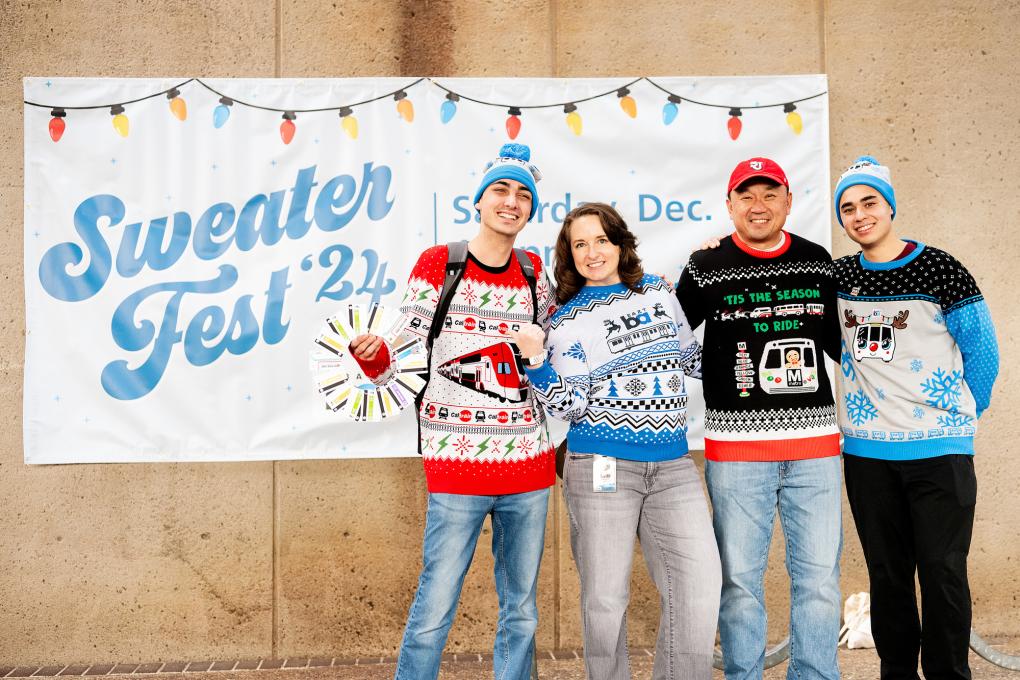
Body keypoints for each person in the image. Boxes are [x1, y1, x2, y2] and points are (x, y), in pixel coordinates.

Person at [351, 143, 556, 680]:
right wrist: (373, 357)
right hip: (455, 465)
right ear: (480, 201)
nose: (511, 202)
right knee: (435, 607)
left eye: (522, 195)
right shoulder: (441, 262)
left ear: (531, 209)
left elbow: (562, 339)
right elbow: (402, 344)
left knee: (522, 611)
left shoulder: (535, 270)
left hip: (529, 466)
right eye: (500, 191)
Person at [510, 203, 721, 679]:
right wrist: (539, 363)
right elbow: (569, 407)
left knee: (699, 587)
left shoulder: (660, 293)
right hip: (601, 467)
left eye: (601, 240)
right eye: (580, 244)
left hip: (673, 468)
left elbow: (692, 361)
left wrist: (721, 274)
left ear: (620, 243)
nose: (592, 252)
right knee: (605, 600)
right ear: (569, 255)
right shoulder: (564, 320)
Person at [675, 158, 843, 680]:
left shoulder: (818, 262)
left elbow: (844, 343)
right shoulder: (705, 267)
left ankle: (815, 675)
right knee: (739, 581)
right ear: (729, 205)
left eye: (770, 194)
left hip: (816, 447)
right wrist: (720, 372)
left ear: (788, 202)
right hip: (736, 450)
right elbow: (671, 339)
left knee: (818, 580)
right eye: (746, 195)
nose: (758, 205)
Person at [832, 156, 998, 680]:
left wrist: (956, 414)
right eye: (848, 208)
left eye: (869, 203)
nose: (860, 215)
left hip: (940, 453)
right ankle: (896, 672)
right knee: (888, 576)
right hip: (867, 456)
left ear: (890, 205)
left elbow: (983, 352)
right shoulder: (840, 277)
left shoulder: (941, 268)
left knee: (944, 573)